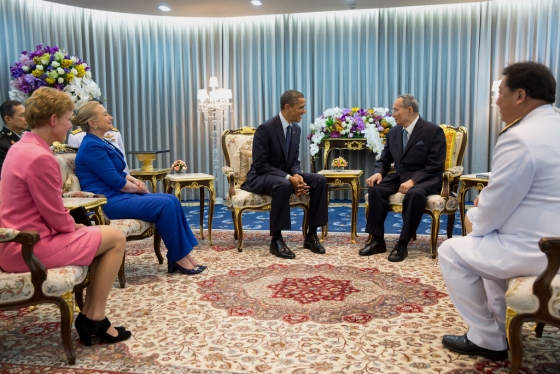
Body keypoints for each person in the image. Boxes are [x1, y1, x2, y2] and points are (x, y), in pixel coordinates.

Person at [438, 61, 560, 360]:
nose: (496, 101)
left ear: (519, 95)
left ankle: (487, 337)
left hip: (539, 249)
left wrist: (480, 221)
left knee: (453, 250)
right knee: (484, 232)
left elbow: (495, 207)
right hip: (550, 235)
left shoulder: (519, 136)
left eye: (500, 92)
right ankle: (498, 326)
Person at [0, 87, 131, 346]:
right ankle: (95, 318)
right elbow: (56, 217)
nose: (71, 126)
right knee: (115, 237)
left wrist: (76, 226)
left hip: (15, 242)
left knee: (99, 234)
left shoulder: (20, 147)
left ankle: (92, 316)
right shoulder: (39, 156)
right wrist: (77, 227)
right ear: (53, 120)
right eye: (69, 119)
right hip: (28, 247)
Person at [73, 101, 205, 275]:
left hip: (118, 195)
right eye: (105, 114)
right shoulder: (92, 146)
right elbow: (116, 182)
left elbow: (119, 172)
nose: (110, 117)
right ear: (93, 122)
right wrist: (137, 189)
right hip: (107, 201)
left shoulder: (101, 141)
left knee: (171, 199)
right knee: (164, 204)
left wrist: (135, 181)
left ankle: (183, 254)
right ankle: (178, 258)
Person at [241, 90, 328, 259]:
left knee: (319, 180)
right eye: (301, 107)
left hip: (284, 176)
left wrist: (298, 175)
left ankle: (311, 235)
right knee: (284, 184)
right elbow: (260, 165)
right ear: (287, 107)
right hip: (261, 176)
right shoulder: (265, 129)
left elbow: (294, 162)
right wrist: (289, 178)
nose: (304, 111)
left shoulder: (296, 129)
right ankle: (277, 240)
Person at [360, 94, 446, 262]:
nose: (393, 113)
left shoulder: (432, 130)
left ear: (409, 110)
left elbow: (436, 164)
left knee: (414, 194)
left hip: (426, 179)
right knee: (376, 189)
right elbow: (384, 159)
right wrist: (379, 172)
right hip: (400, 177)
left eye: (396, 109)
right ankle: (377, 240)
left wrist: (413, 181)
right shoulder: (393, 132)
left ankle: (402, 243)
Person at [0, 100, 28, 177]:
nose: (27, 118)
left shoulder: (27, 136)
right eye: (22, 115)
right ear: (8, 119)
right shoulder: (2, 143)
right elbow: (5, 174)